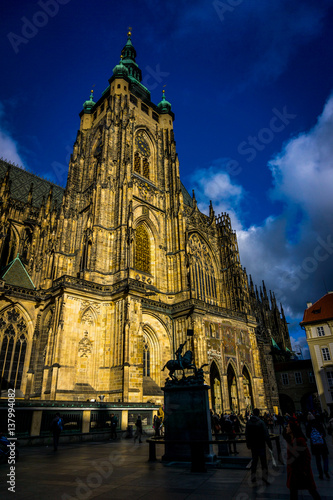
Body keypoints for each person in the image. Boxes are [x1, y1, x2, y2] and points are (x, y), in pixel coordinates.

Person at [283, 419, 321, 499]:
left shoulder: (299, 441)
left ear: (292, 429)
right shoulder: (291, 439)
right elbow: (284, 434)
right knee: (294, 492)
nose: (286, 428)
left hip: (301, 471)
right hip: (294, 472)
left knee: (311, 490)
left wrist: (303, 469)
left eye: (288, 427)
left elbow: (307, 456)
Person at [245, 408, 272, 484]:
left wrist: (248, 444)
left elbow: (247, 434)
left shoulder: (249, 422)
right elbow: (266, 435)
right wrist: (269, 445)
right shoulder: (261, 422)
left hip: (253, 445)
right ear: (258, 413)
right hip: (261, 444)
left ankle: (253, 478)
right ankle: (265, 478)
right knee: (263, 462)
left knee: (254, 461)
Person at [306, 415, 329, 480]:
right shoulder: (319, 424)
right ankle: (326, 470)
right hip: (322, 444)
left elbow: (308, 435)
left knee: (318, 459)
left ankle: (320, 473)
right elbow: (324, 434)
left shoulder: (308, 425)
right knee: (325, 458)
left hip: (315, 445)